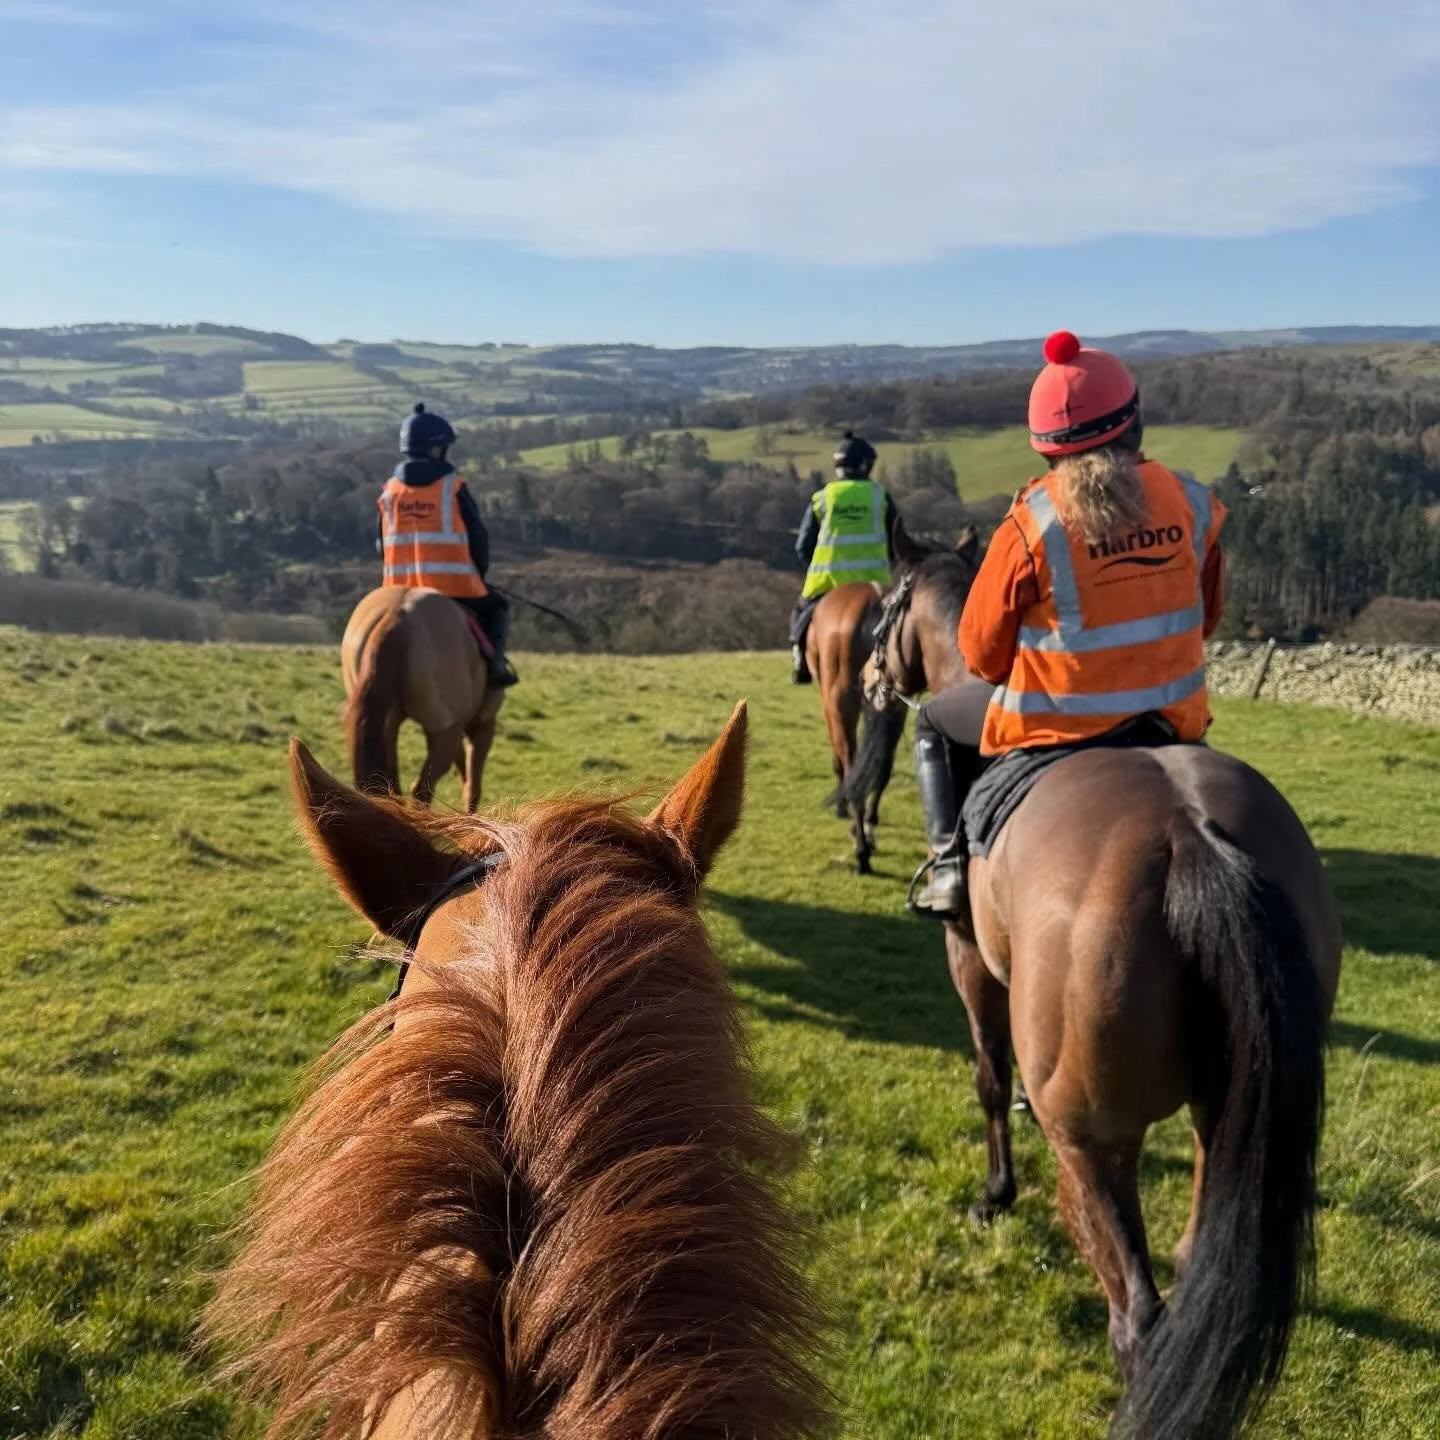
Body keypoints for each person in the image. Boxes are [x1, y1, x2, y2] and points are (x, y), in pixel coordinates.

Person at [909, 331, 1228, 916]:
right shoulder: (1193, 502)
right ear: (1135, 425)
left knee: (931, 720)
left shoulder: (1032, 522)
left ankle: (948, 868)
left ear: (1045, 447)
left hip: (1056, 732)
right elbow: (1205, 618)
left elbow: (979, 655)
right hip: (1173, 724)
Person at [377, 403, 519, 687]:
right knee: (497, 608)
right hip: (453, 585)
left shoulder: (389, 492)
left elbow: (381, 544)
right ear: (436, 449)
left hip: (398, 587)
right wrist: (478, 573)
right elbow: (477, 536)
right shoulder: (451, 486)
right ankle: (496, 666)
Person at [790, 430, 905, 683]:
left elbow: (802, 547)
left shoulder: (822, 498)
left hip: (828, 583)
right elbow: (898, 540)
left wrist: (822, 564)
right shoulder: (879, 496)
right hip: (875, 584)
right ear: (866, 465)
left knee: (801, 613)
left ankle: (799, 660)